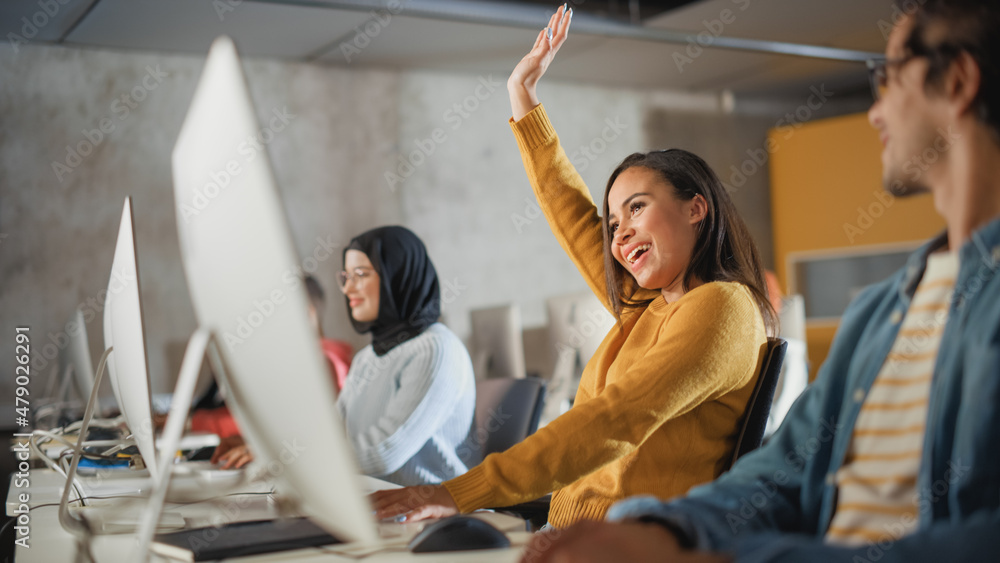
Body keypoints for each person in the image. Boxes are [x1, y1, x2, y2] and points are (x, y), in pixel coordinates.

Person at [523, 1, 1000, 561]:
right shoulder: (879, 313)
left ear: (960, 80)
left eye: (888, 76)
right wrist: (660, 530)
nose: (875, 110)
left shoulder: (721, 306)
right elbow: (783, 472)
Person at [371, 5, 777, 528]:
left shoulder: (722, 308)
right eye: (614, 223)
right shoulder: (651, 306)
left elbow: (614, 420)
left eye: (637, 207)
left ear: (696, 207)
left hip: (626, 544)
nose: (620, 232)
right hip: (573, 533)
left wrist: (458, 494)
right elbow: (574, 216)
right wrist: (523, 95)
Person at [337, 225, 476, 486]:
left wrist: (294, 462)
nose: (348, 289)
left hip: (434, 519)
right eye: (346, 276)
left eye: (361, 275)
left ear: (397, 276)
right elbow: (333, 432)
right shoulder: (366, 358)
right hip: (380, 510)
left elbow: (383, 453)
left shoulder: (436, 350)